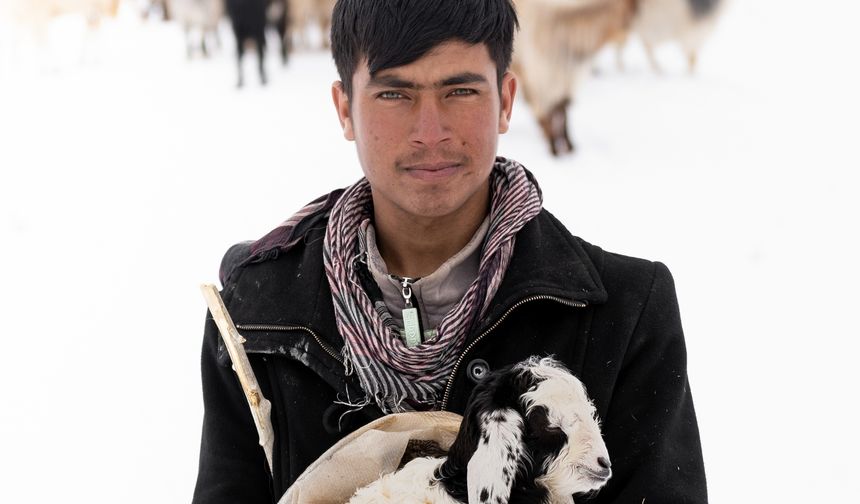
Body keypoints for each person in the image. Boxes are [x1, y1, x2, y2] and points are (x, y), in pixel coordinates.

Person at [191, 0, 708, 502]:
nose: (430, 132)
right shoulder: (258, 314)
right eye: (395, 94)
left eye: (460, 90)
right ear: (345, 108)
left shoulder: (623, 314)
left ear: (506, 100)